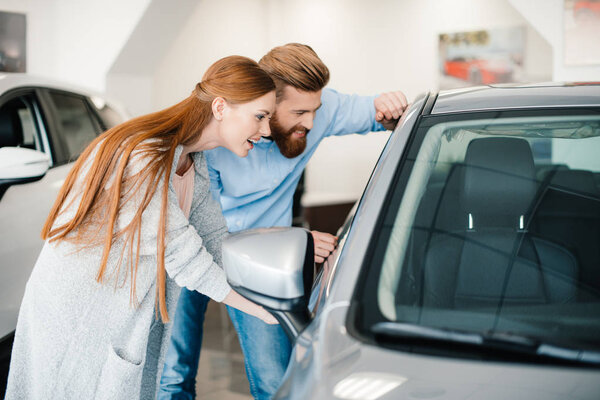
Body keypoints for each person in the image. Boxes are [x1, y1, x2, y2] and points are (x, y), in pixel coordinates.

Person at [5, 55, 279, 400]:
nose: (267, 130)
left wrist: (272, 287)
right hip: (77, 320)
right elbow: (182, 254)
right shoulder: (143, 156)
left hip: (120, 314)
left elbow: (214, 240)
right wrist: (260, 311)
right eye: (260, 116)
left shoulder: (193, 160)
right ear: (221, 107)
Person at [159, 43, 407, 400]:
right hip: (194, 250)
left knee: (274, 381)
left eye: (315, 110)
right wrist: (290, 238)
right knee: (173, 376)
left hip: (263, 263)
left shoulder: (317, 111)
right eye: (299, 112)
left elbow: (378, 112)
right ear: (266, 105)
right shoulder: (213, 144)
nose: (310, 122)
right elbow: (207, 222)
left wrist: (390, 104)